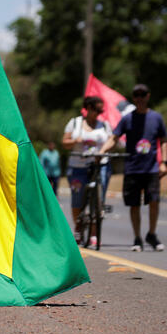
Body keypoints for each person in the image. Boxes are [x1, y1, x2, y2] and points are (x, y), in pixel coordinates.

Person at [99, 83, 167, 252]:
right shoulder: (128, 119)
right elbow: (114, 138)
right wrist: (102, 151)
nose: (140, 98)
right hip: (132, 169)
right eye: (136, 95)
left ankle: (151, 234)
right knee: (134, 204)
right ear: (133, 98)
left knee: (154, 201)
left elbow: (163, 141)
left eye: (142, 95)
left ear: (148, 96)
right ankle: (137, 238)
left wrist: (164, 162)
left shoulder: (156, 118)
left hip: (151, 168)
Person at [62, 96, 113, 248]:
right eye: (97, 110)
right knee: (77, 200)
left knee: (99, 200)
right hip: (78, 166)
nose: (99, 113)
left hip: (100, 165)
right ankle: (78, 229)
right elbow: (64, 143)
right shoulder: (75, 123)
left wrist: (103, 151)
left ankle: (94, 234)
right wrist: (74, 141)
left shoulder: (104, 125)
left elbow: (112, 140)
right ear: (88, 108)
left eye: (101, 110)